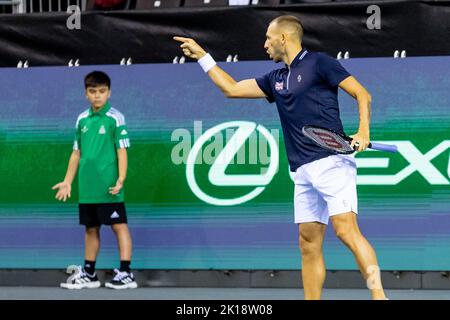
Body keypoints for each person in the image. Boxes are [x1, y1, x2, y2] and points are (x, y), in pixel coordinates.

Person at [174, 15, 387, 300]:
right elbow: (232, 88)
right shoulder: (275, 79)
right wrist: (203, 57)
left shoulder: (319, 62)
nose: (264, 44)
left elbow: (362, 94)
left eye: (268, 38)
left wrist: (363, 130)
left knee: (346, 231)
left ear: (283, 38)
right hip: (302, 169)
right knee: (308, 243)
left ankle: (379, 296)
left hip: (333, 160)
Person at [52, 71, 137, 289]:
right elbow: (76, 153)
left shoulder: (115, 118)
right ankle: (89, 274)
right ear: (85, 94)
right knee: (91, 228)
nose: (97, 96)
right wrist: (67, 181)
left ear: (109, 93)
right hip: (87, 187)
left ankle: (126, 273)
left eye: (101, 91)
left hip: (110, 186)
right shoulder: (82, 119)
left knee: (119, 226)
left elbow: (122, 151)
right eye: (92, 92)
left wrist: (121, 179)